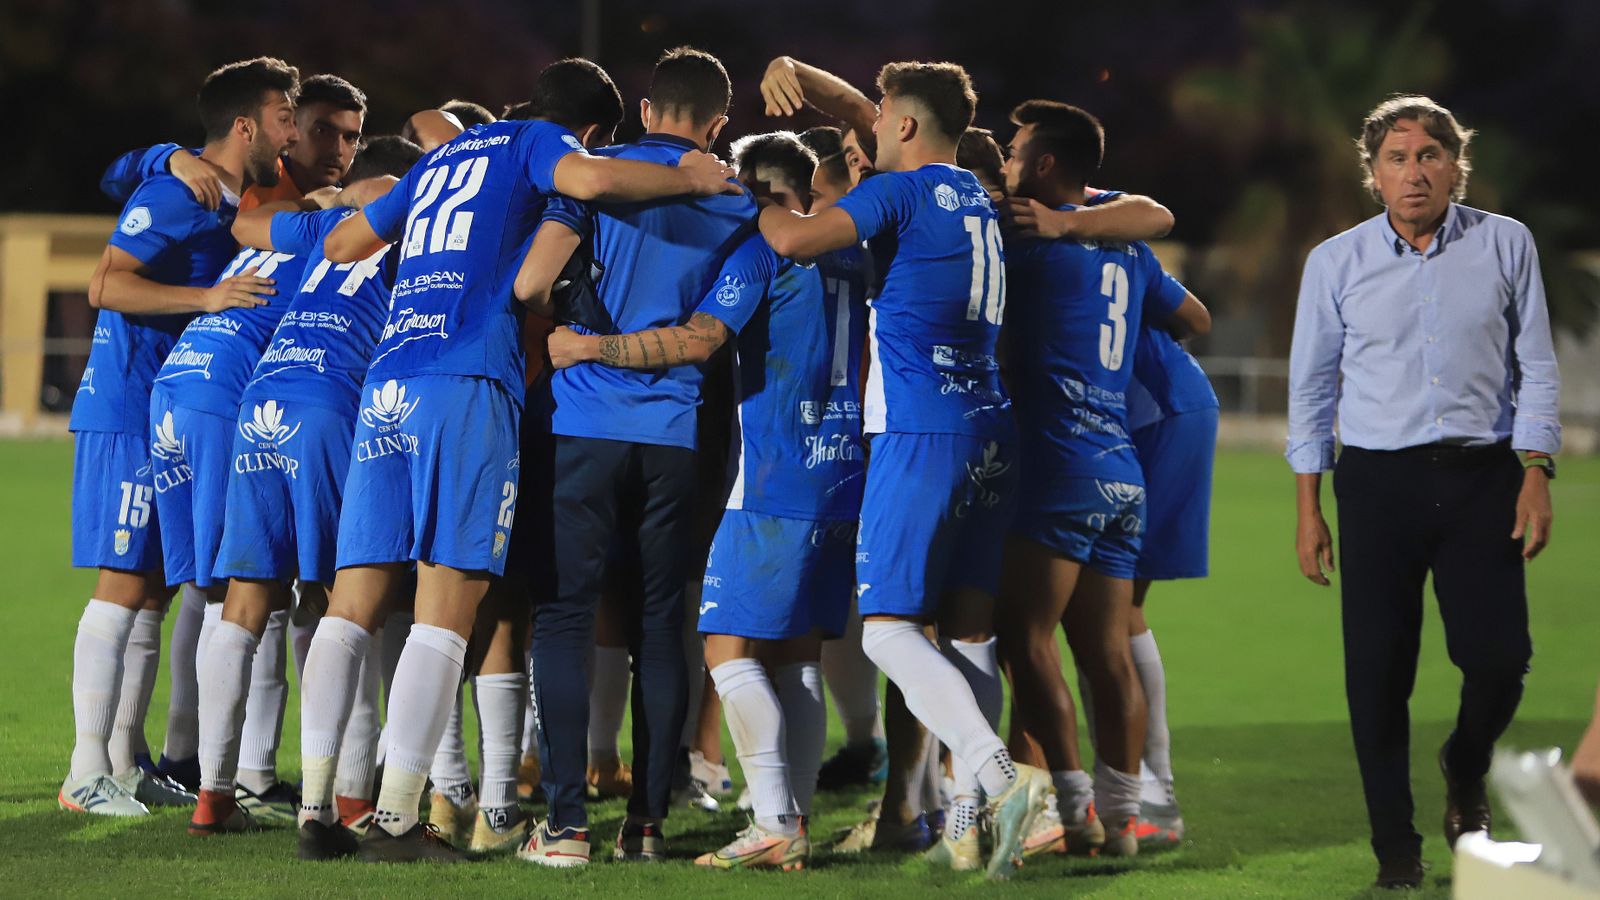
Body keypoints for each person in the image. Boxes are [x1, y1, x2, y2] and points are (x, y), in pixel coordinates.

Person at [314, 55, 737, 864]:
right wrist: (693, 178)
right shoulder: (679, 185)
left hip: (466, 392)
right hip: (599, 412)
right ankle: (624, 823)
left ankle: (334, 809)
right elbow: (700, 307)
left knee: (398, 605)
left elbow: (362, 246)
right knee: (623, 622)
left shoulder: (494, 173)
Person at [757, 61, 1052, 880]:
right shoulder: (969, 193)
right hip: (990, 429)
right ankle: (964, 819)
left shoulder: (898, 192)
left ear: (908, 126)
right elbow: (857, 104)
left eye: (884, 117)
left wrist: (748, 189)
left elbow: (792, 238)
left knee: (887, 631)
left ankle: (998, 776)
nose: (871, 127)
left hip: (919, 430)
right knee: (963, 636)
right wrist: (796, 75)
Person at [1286, 95, 1559, 890]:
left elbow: (1537, 365)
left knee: (1502, 661)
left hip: (1485, 479)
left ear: (1455, 165)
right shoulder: (1334, 263)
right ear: (1373, 174)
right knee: (1377, 674)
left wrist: (1537, 470)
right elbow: (1311, 390)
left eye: (1429, 154)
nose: (1415, 172)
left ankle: (1464, 764)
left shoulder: (1507, 244)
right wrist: (1310, 508)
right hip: (1376, 484)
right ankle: (1396, 854)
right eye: (1397, 158)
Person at [519, 47, 756, 868]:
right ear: (718, 126)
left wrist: (570, 344)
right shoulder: (739, 205)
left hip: (581, 428)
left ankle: (566, 826)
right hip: (676, 440)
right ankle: (648, 827)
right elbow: (708, 337)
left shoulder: (592, 173)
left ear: (650, 113)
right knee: (664, 624)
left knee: (563, 616)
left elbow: (532, 280)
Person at [60, 56, 293, 818]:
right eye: (285, 117)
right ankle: (82, 770)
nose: (291, 133)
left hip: (167, 409)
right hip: (129, 404)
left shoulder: (223, 195)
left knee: (153, 589)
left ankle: (125, 763)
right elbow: (105, 283)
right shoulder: (177, 191)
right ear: (246, 125)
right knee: (123, 581)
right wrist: (209, 297)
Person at [995, 99, 1211, 859]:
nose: (1009, 162)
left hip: (1058, 466)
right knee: (1106, 649)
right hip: (1121, 468)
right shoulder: (1123, 247)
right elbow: (1196, 316)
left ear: (1047, 165)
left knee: (1025, 639)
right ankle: (1125, 821)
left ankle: (1073, 807)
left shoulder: (1026, 241)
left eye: (1017, 151)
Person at [218, 136, 422, 856]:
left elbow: (241, 224)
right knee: (354, 599)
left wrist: (316, 201)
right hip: (335, 406)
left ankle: (217, 794)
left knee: (244, 597)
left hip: (261, 397)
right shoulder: (411, 236)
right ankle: (347, 798)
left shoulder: (317, 229)